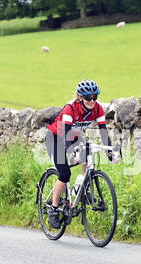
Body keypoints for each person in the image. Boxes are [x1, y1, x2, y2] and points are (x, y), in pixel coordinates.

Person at [45, 79, 118, 229]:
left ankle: (84, 185)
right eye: (88, 98)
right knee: (64, 174)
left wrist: (110, 154)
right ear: (80, 97)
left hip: (75, 136)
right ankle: (53, 208)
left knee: (88, 151)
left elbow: (104, 133)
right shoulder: (70, 109)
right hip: (56, 137)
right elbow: (65, 134)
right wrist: (72, 153)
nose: (92, 101)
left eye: (94, 97)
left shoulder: (98, 109)